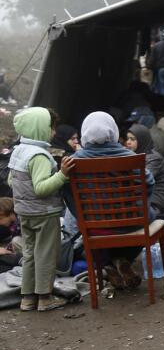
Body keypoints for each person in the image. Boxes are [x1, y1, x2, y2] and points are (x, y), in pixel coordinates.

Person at [73, 111, 155, 289]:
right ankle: (122, 259)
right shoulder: (129, 156)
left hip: (94, 225)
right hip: (130, 223)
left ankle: (107, 262)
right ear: (113, 131)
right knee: (152, 216)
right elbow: (148, 182)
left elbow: (66, 192)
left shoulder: (74, 161)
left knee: (90, 232)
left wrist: (82, 216)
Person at [7, 107, 75, 311]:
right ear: (39, 129)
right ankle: (44, 298)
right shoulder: (40, 156)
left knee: (29, 254)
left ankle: (27, 299)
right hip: (44, 214)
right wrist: (62, 174)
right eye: (51, 127)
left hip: (24, 213)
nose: (54, 132)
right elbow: (41, 188)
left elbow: (12, 181)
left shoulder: (18, 151)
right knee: (45, 254)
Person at [126, 124, 164, 223]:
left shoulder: (153, 158)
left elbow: (141, 180)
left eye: (132, 139)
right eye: (128, 139)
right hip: (150, 196)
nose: (128, 142)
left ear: (142, 140)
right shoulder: (136, 157)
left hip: (162, 198)